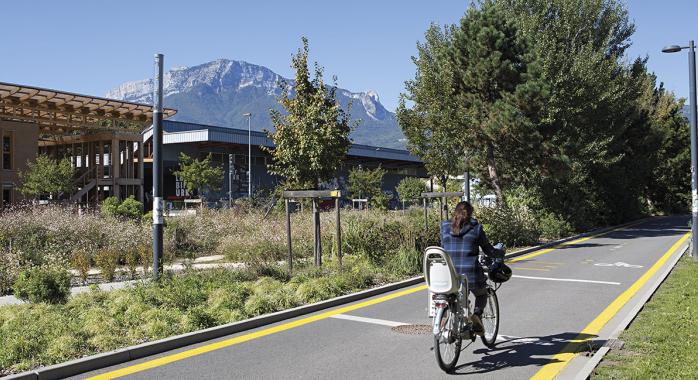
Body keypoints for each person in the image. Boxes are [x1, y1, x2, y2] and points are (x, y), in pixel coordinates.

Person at [440, 201, 501, 335]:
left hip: (449, 274)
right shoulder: (476, 229)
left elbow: (443, 247)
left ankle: (447, 319)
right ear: (470, 214)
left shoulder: (444, 226)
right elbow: (488, 250)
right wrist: (498, 252)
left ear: (455, 212)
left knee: (455, 293)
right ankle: (477, 315)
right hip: (470, 273)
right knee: (481, 293)